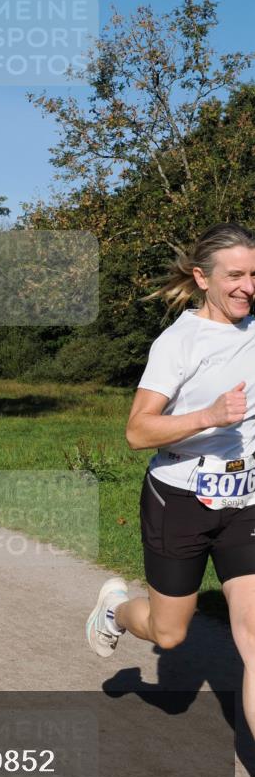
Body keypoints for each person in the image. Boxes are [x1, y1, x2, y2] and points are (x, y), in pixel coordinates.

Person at [86, 223, 255, 738]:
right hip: (179, 500)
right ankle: (114, 610)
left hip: (246, 502)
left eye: (254, 274)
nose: (247, 285)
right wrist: (207, 416)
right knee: (170, 632)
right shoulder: (178, 342)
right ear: (203, 278)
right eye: (235, 275)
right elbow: (137, 431)